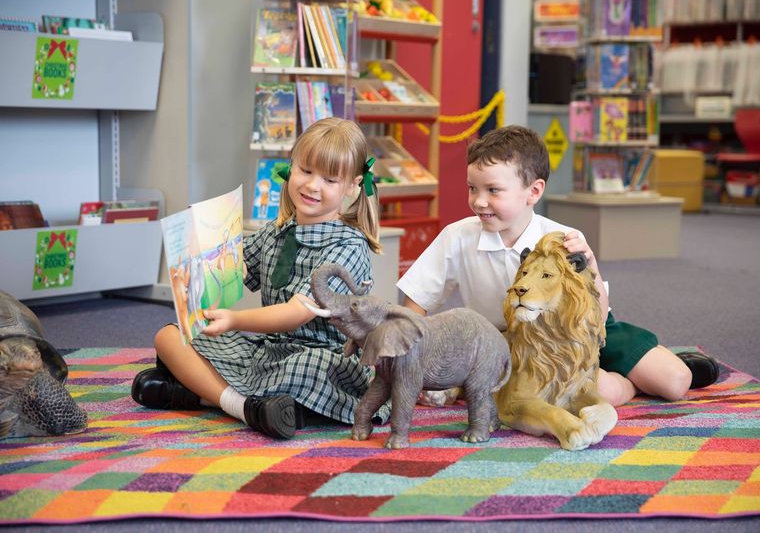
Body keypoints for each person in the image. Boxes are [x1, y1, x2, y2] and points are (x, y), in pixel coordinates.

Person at [397, 125, 719, 407]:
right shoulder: (457, 237)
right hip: (511, 345)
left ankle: (660, 367)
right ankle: (627, 384)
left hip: (586, 333)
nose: (479, 201)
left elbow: (599, 314)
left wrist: (590, 263)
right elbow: (416, 304)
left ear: (533, 191)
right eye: (472, 188)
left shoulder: (563, 239)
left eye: (493, 190)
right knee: (599, 392)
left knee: (675, 383)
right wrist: (408, 359)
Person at [131, 117, 390, 439]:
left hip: (324, 354)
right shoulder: (276, 230)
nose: (312, 185)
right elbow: (236, 269)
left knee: (307, 370)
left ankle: (204, 395)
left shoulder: (348, 246)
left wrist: (235, 320)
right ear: (290, 168)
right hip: (267, 347)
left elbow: (298, 313)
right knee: (168, 337)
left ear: (352, 186)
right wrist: (212, 259)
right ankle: (243, 406)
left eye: (329, 179)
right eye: (306, 171)